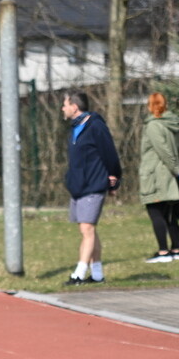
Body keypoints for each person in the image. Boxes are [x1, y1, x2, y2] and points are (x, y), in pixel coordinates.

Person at [61, 90, 121, 285]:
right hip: (78, 186)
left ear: (74, 107)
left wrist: (114, 179)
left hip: (94, 184)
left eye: (65, 105)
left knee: (87, 229)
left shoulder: (96, 126)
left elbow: (110, 154)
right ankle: (97, 275)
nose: (63, 108)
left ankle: (78, 274)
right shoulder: (74, 129)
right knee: (88, 230)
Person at [138, 92, 179, 262]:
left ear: (150, 106)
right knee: (170, 214)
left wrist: (175, 169)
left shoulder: (153, 125)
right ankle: (176, 249)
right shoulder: (175, 123)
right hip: (172, 175)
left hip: (157, 175)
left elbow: (163, 151)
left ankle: (163, 252)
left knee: (156, 213)